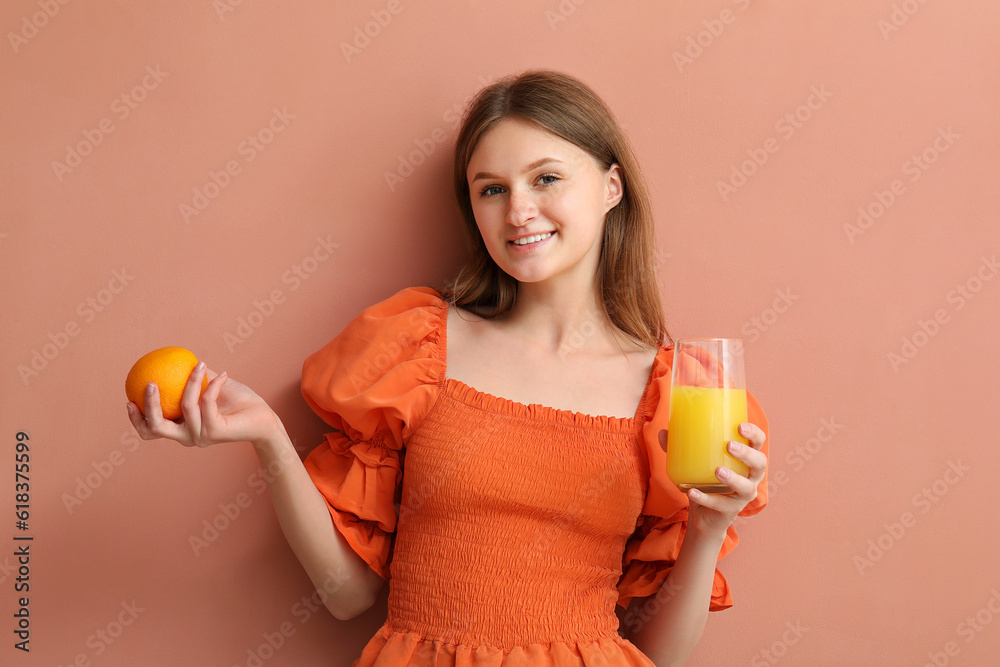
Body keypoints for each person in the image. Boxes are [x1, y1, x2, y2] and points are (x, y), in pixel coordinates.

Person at [126, 70, 769, 666]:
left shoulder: (671, 393)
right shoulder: (417, 347)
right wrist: (268, 435)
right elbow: (346, 595)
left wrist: (709, 528)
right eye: (492, 189)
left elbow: (662, 656)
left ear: (611, 188)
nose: (518, 210)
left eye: (546, 179)